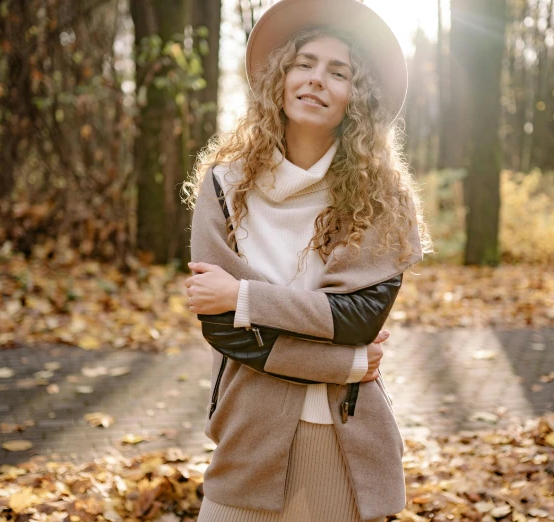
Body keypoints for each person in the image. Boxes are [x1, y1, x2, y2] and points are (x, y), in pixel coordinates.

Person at [182, 0, 431, 520]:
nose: (317, 79)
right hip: (247, 430)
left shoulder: (383, 197)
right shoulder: (224, 185)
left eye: (338, 72)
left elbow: (358, 319)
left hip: (338, 431)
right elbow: (223, 328)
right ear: (281, 77)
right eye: (305, 63)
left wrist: (245, 297)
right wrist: (345, 363)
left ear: (355, 98)